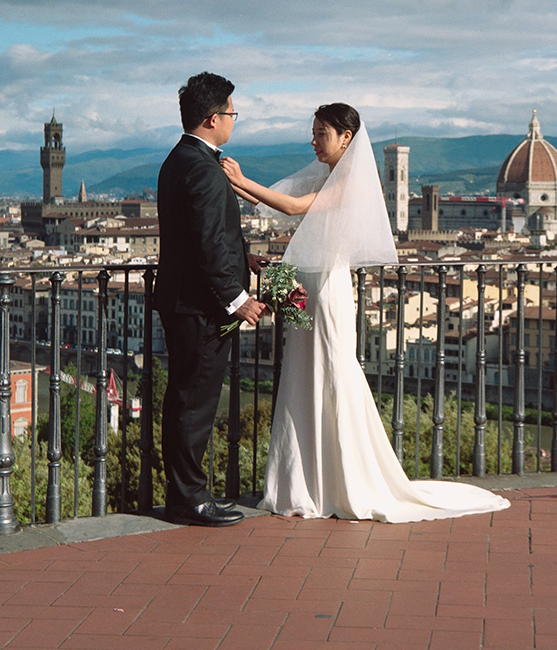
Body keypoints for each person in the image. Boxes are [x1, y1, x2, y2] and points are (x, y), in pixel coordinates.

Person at [220, 104, 510, 522]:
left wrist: (241, 180)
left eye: (322, 133)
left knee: (332, 373)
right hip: (310, 285)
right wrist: (235, 184)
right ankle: (309, 482)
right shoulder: (325, 174)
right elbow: (277, 201)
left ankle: (335, 482)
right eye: (314, 133)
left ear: (346, 139)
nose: (314, 140)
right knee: (306, 373)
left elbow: (294, 208)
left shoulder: (349, 181)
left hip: (328, 290)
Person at [155, 72, 267, 527]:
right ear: (212, 117)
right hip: (199, 306)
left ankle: (187, 492)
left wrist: (246, 257)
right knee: (195, 401)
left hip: (184, 301)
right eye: (232, 113)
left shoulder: (179, 160)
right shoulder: (201, 167)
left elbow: (205, 235)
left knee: (185, 397)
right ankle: (190, 499)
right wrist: (238, 300)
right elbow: (205, 242)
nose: (233, 121)